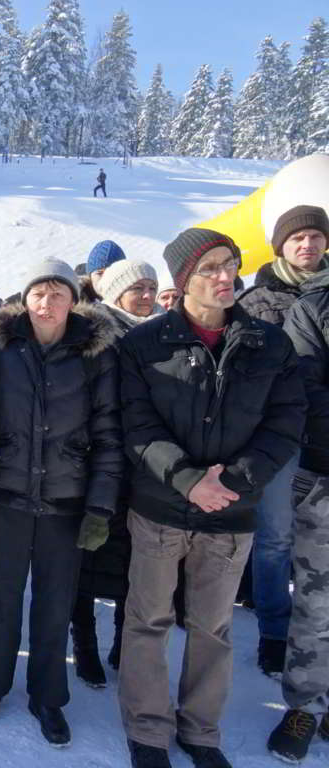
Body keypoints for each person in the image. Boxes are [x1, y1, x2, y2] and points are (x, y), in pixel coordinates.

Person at [118, 228, 306, 768]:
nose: (226, 276)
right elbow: (136, 423)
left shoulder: (269, 344)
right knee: (148, 620)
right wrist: (186, 479)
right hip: (160, 508)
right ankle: (148, 729)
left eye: (230, 263)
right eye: (211, 268)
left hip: (231, 512)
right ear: (184, 279)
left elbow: (285, 422)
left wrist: (235, 482)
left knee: (213, 627)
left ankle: (201, 730)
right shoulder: (144, 344)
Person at [0, 258, 122, 747]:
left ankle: (48, 696)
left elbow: (109, 433)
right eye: (39, 292)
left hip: (65, 500)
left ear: (73, 300)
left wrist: (99, 507)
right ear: (24, 298)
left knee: (55, 605)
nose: (47, 303)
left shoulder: (94, 353)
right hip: (9, 495)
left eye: (58, 293)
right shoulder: (1, 346)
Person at [238, 205, 329, 677]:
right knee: (274, 538)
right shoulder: (257, 300)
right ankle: (274, 631)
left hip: (322, 439)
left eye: (315, 236)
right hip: (279, 437)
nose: (307, 245)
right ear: (280, 246)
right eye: (297, 238)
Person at [69, 259, 158, 689]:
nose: (146, 295)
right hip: (97, 461)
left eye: (151, 287)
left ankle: (125, 641)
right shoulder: (93, 334)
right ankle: (84, 643)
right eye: (137, 288)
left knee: (136, 563)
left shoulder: (163, 334)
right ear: (116, 292)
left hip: (147, 467)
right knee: (85, 559)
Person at [273, 238, 329, 761]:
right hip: (324, 473)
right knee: (317, 599)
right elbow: (306, 391)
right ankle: (306, 705)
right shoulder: (313, 308)